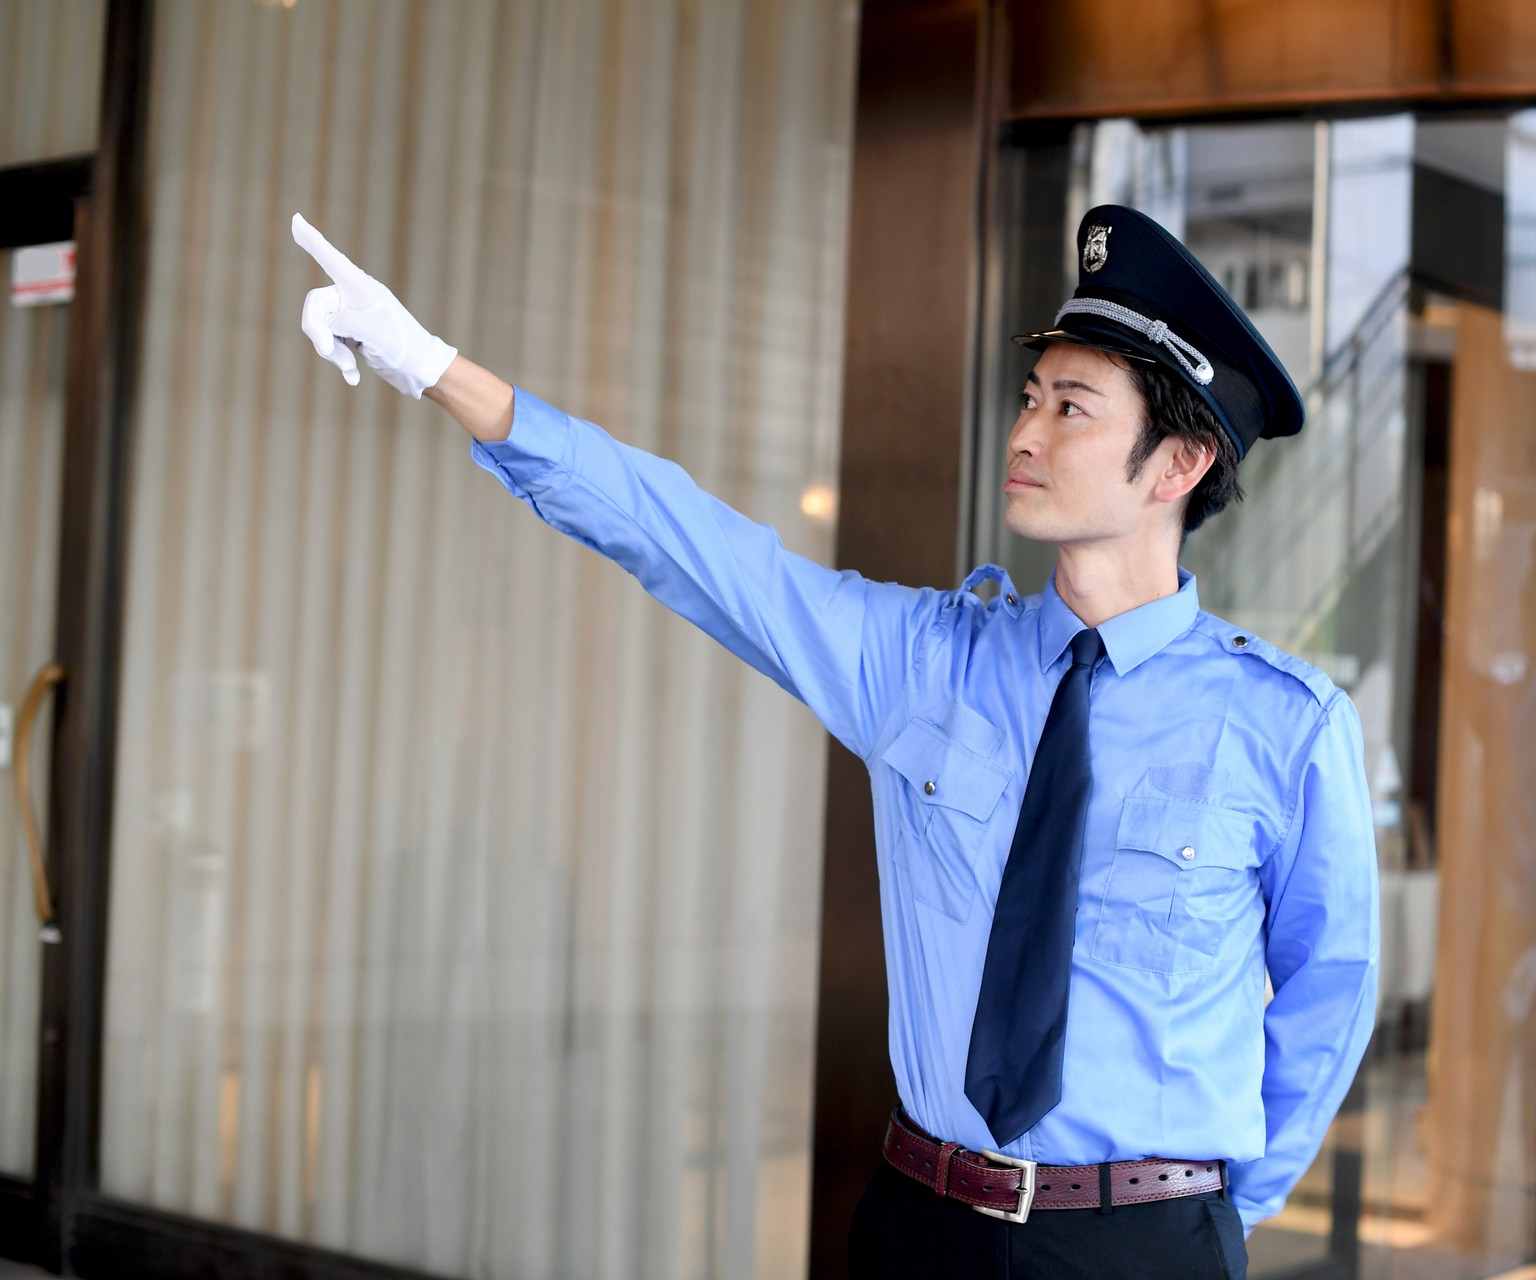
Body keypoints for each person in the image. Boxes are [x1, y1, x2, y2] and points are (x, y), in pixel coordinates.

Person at [292, 203, 1379, 1280]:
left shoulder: (1283, 725)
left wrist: (1215, 1210)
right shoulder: (923, 660)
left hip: (1140, 1244)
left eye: (1072, 408)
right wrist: (434, 365)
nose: (1025, 432)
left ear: (1179, 463)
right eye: (1031, 396)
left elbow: (1331, 992)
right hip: (922, 1226)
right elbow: (696, 545)